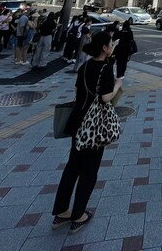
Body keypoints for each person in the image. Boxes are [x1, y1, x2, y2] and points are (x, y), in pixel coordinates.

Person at [52, 31, 122, 233]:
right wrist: (117, 85)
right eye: (110, 44)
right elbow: (105, 98)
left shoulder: (85, 66)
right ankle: (79, 215)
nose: (112, 46)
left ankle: (61, 211)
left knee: (72, 167)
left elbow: (77, 91)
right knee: (89, 170)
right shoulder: (105, 69)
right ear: (104, 48)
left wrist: (112, 51)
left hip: (77, 120)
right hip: (94, 125)